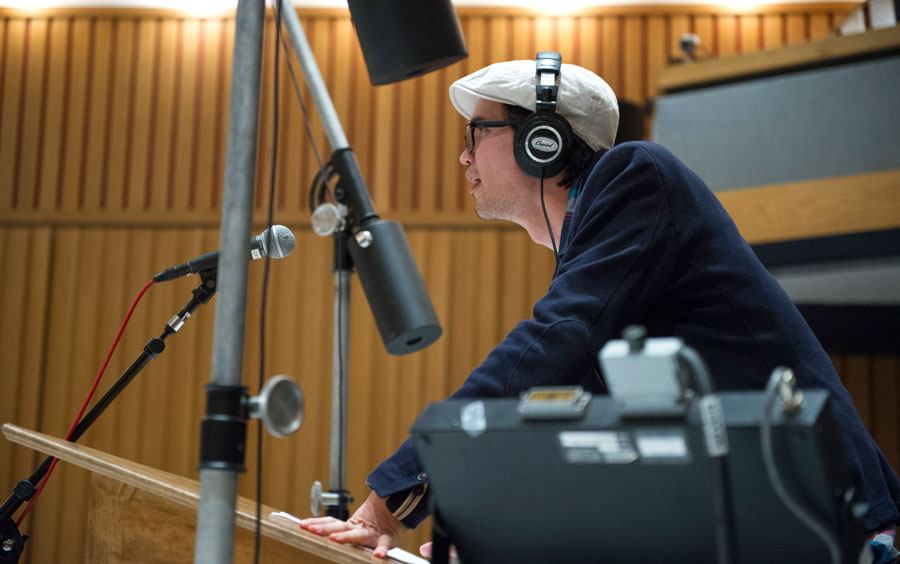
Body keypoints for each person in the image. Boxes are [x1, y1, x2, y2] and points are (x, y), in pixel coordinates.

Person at [300, 54, 900, 560]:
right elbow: (588, 434)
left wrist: (388, 503)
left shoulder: (636, 176)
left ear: (545, 142)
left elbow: (554, 343)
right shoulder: (602, 252)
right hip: (770, 520)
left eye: (475, 134)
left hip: (832, 520)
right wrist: (488, 534)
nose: (463, 158)